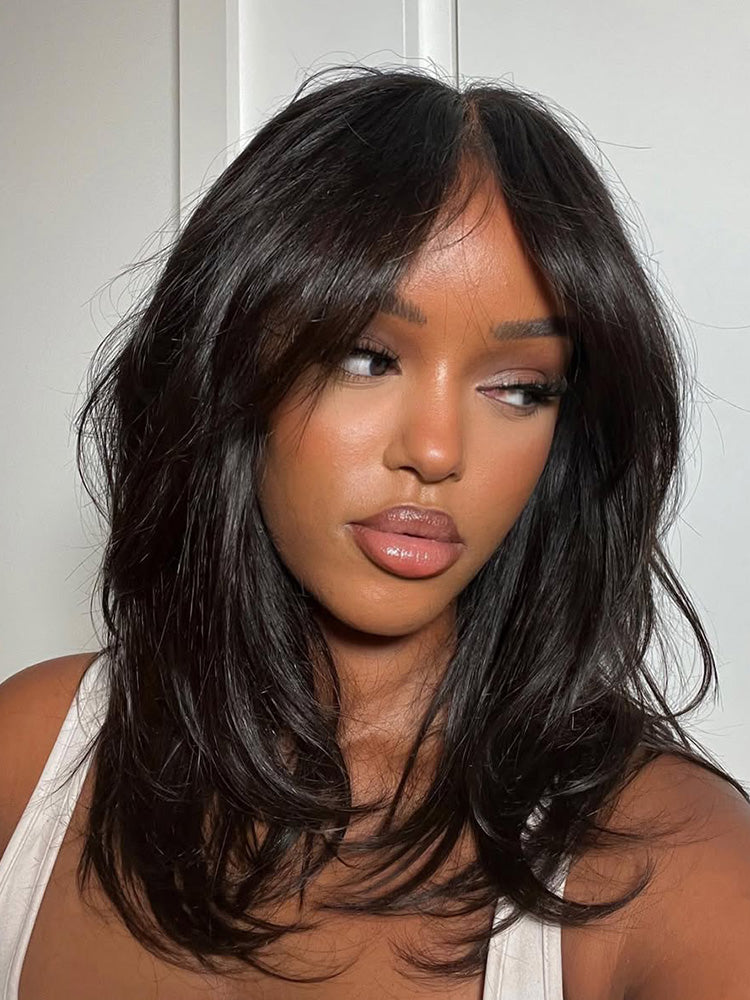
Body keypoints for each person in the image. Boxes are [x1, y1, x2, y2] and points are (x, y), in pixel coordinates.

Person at [1, 63, 748, 1000]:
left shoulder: (677, 869)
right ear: (232, 365)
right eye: (367, 355)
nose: (437, 452)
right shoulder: (34, 755)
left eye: (520, 387)